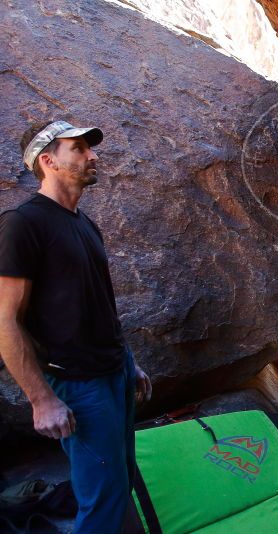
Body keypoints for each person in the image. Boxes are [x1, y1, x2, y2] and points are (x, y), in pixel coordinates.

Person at [0, 120, 152, 533]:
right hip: (78, 385)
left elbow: (96, 306)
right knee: (102, 498)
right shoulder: (23, 223)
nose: (92, 155)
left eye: (90, 148)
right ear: (47, 160)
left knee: (119, 478)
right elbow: (6, 321)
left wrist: (128, 362)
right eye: (79, 148)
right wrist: (41, 400)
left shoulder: (84, 222)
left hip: (113, 372)